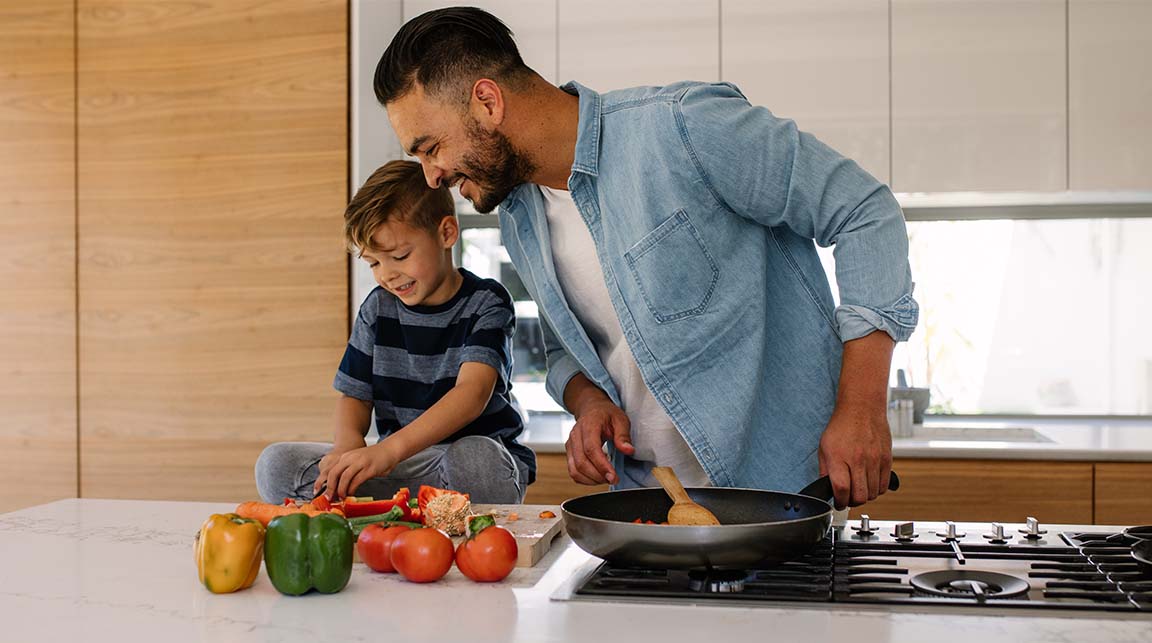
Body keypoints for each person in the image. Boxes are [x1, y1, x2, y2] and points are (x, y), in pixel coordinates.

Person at [373, 8, 919, 509]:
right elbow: (568, 347)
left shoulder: (684, 129)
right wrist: (588, 403)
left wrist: (862, 408)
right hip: (651, 503)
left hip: (781, 494)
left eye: (430, 147)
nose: (431, 175)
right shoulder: (520, 217)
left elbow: (865, 212)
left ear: (487, 103)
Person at [254, 160, 535, 504]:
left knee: (476, 458)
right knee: (275, 464)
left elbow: (471, 395)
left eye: (399, 256)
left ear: (446, 233)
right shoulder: (378, 308)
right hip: (404, 467)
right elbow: (355, 397)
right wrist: (347, 449)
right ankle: (394, 512)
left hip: (466, 464)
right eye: (374, 262)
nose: (387, 274)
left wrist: (387, 451)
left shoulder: (487, 301)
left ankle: (419, 513)